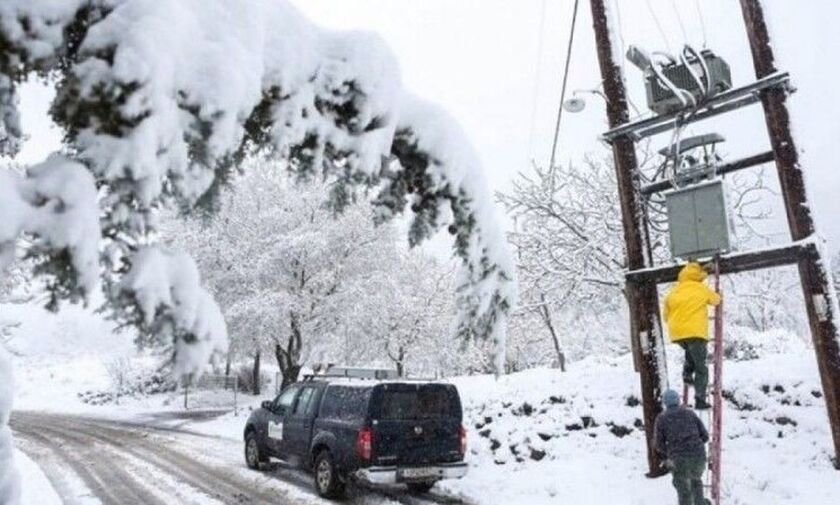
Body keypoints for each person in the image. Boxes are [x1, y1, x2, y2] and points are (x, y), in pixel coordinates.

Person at [663, 262, 721, 410]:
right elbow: (716, 300)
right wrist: (720, 294)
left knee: (690, 352)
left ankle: (687, 374)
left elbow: (665, 315)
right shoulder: (700, 288)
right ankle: (700, 399)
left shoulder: (674, 291)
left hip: (677, 333)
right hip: (696, 332)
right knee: (701, 367)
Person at [655, 389, 710, 505]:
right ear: (678, 400)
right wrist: (694, 445)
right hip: (698, 456)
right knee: (696, 482)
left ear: (665, 403)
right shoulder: (690, 413)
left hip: (679, 459)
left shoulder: (662, 418)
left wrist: (668, 454)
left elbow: (659, 444)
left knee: (684, 490)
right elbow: (705, 435)